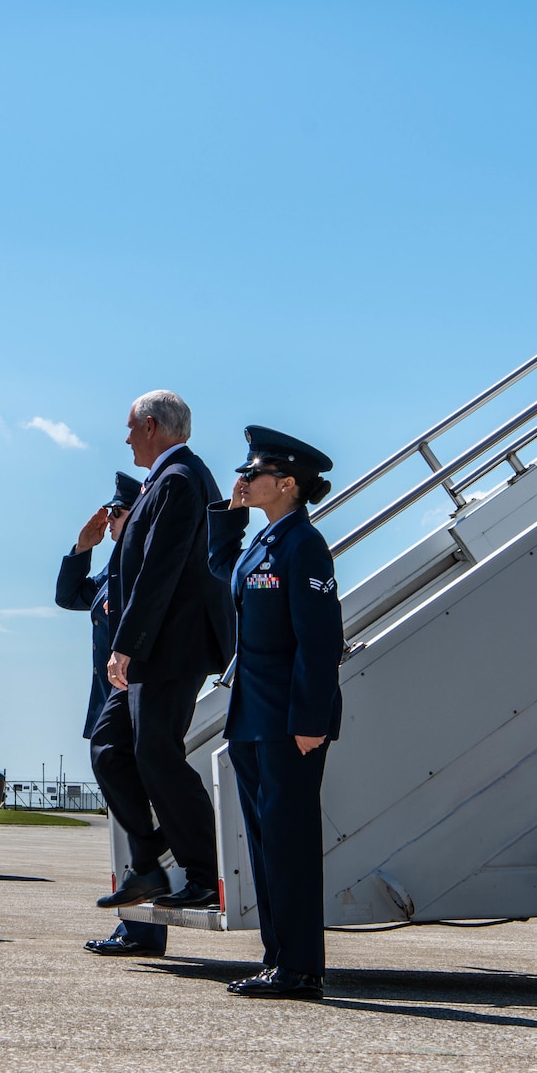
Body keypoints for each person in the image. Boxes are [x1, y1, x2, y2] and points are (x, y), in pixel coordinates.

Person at [206, 426, 343, 1000]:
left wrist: (311, 719)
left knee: (289, 844)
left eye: (253, 474)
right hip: (252, 718)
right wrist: (229, 514)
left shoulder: (303, 545)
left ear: (286, 484)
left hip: (290, 722)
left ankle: (302, 966)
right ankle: (277, 958)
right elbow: (222, 569)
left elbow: (320, 639)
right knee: (264, 845)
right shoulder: (264, 543)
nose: (243, 480)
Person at [93, 391, 235, 913]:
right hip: (158, 645)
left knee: (157, 754)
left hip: (173, 644)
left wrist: (125, 646)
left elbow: (161, 570)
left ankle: (202, 872)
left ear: (151, 426)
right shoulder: (170, 477)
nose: (127, 437)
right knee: (110, 748)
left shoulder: (178, 479)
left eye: (131, 428)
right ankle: (150, 857)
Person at [60, 473, 168, 958]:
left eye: (118, 513)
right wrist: (81, 547)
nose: (112, 521)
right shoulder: (109, 573)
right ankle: (135, 924)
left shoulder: (141, 568)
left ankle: (144, 929)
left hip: (133, 707)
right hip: (107, 704)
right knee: (122, 820)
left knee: (134, 815)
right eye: (110, 513)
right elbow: (68, 596)